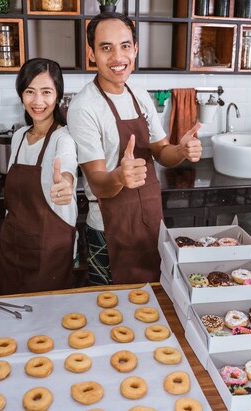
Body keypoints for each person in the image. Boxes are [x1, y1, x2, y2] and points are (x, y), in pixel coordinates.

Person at [67, 12, 202, 286]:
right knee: (109, 311)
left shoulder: (139, 95)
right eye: (106, 47)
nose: (118, 57)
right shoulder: (84, 107)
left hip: (150, 223)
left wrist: (182, 150)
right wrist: (120, 176)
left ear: (136, 49)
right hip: (108, 230)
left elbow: (162, 152)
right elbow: (98, 182)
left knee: (154, 302)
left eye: (125, 46)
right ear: (91, 53)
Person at [0, 58, 78, 295]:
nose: (38, 101)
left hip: (49, 251)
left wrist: (66, 184)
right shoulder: (19, 136)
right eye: (30, 92)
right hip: (13, 247)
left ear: (58, 96)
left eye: (46, 92)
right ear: (21, 95)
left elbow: (67, 170)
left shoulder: (63, 139)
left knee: (48, 321)